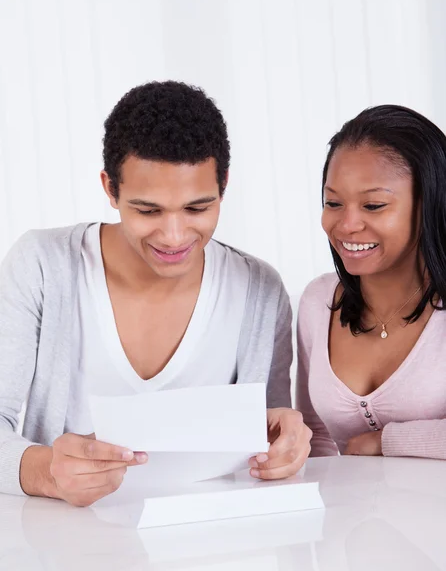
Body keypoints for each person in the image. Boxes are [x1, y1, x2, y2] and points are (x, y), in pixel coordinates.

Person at [0, 81, 311, 506]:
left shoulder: (259, 290)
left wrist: (285, 445)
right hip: (67, 546)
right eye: (148, 211)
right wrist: (44, 471)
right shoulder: (41, 266)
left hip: (217, 543)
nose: (174, 235)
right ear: (111, 189)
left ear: (224, 186)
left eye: (197, 208)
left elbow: (269, 431)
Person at [297, 104, 446, 459]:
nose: (346, 224)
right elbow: (312, 434)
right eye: (333, 203)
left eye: (373, 206)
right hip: (344, 514)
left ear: (429, 204)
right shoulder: (317, 301)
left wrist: (383, 443)